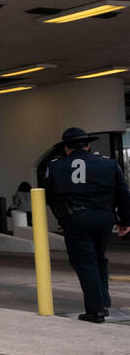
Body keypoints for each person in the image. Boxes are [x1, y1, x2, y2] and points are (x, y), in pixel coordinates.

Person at [41, 127, 130, 323]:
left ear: (66, 148)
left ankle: (95, 310)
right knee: (99, 259)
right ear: (88, 145)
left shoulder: (55, 166)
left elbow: (48, 196)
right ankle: (104, 303)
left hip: (76, 218)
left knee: (84, 262)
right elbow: (123, 193)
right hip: (105, 218)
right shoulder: (109, 164)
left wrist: (62, 218)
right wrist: (125, 221)